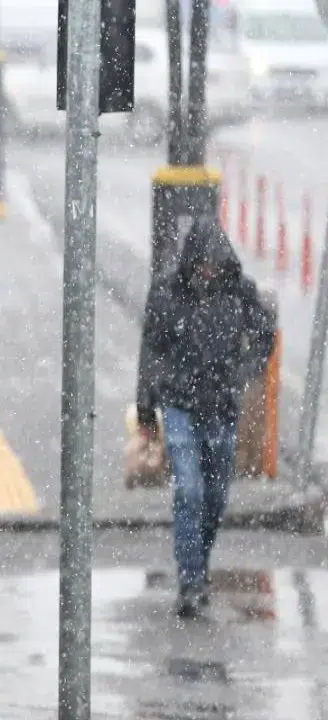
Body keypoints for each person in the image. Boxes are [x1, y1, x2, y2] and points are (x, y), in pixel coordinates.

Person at [135, 217, 275, 618]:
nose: (208, 271)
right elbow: (151, 354)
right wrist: (147, 408)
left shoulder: (239, 291)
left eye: (215, 264)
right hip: (180, 405)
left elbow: (264, 334)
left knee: (214, 498)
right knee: (189, 492)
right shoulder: (166, 293)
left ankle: (198, 561)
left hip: (221, 407)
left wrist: (244, 371)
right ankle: (191, 582)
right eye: (203, 264)